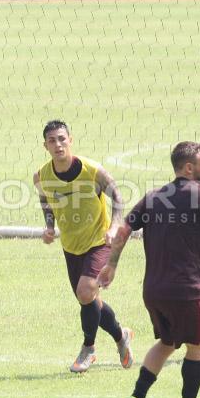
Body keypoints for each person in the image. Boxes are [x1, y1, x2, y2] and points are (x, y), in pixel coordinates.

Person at [98, 141, 200, 398]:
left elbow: (124, 229)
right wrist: (198, 242)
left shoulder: (154, 197)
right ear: (189, 168)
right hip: (186, 289)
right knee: (198, 344)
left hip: (153, 290)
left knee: (167, 343)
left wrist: (112, 264)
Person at [34, 120, 134, 373]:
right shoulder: (42, 176)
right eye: (52, 141)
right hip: (71, 245)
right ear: (45, 145)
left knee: (86, 291)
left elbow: (118, 196)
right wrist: (49, 226)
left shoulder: (92, 170)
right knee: (90, 302)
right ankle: (121, 335)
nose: (58, 144)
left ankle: (88, 349)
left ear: (70, 139)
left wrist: (113, 227)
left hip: (98, 241)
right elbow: (45, 200)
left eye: (61, 139)